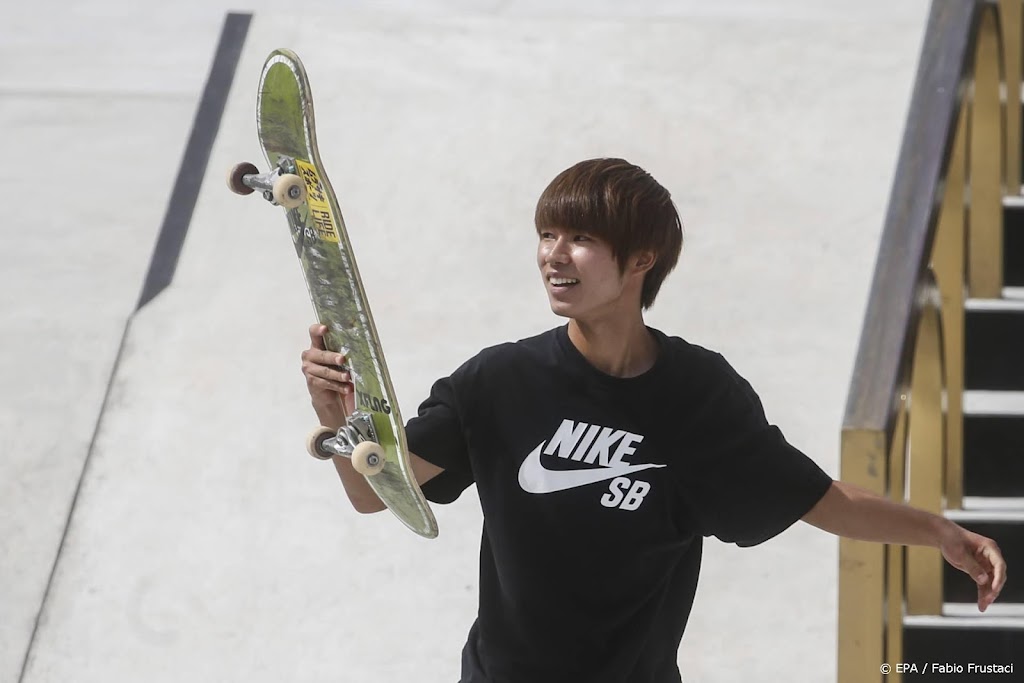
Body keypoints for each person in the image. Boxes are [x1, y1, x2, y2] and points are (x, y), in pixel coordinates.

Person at [300, 158, 1006, 683]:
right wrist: (344, 426)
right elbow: (376, 491)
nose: (553, 253)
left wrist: (938, 531)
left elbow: (819, 499)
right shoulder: (496, 382)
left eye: (578, 237)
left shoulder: (699, 398)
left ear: (641, 259)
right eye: (546, 233)